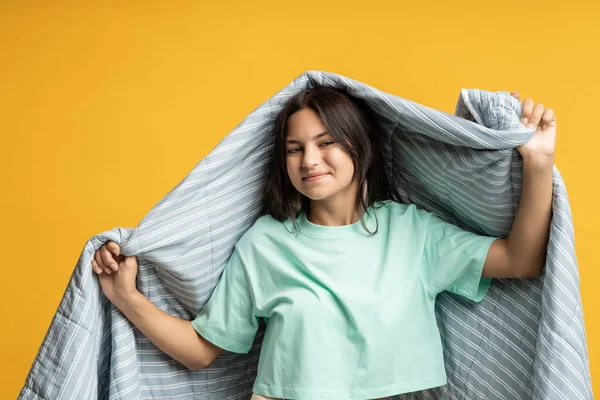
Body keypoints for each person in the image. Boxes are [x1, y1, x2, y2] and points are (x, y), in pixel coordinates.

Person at [91, 87, 556, 399]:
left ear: (359, 146)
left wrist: (537, 161)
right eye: (294, 149)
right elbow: (200, 350)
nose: (309, 160)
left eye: (326, 141)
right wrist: (126, 297)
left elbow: (521, 259)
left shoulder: (413, 232)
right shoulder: (265, 244)